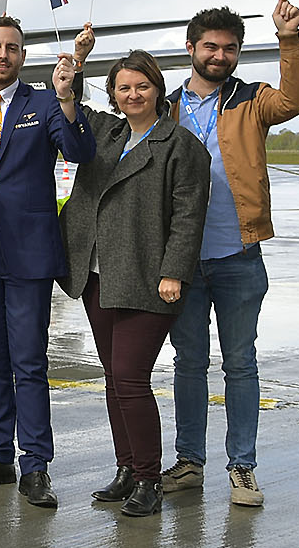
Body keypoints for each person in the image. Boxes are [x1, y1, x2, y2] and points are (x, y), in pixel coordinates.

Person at [0, 18, 93, 509]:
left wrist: (68, 98)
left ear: (23, 56)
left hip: (28, 250)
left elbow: (78, 150)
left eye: (11, 48)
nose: (2, 55)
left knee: (28, 361)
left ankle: (35, 465)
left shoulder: (44, 102)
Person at [164, 0, 299, 509]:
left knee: (241, 362)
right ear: (190, 49)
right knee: (188, 363)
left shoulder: (252, 100)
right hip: (180, 259)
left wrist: (288, 39)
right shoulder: (167, 106)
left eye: (230, 48)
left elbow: (295, 101)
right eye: (211, 47)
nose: (220, 55)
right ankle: (189, 461)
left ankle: (242, 467)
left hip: (237, 253)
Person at [58, 51, 210, 518]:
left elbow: (188, 216)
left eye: (141, 86)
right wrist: (69, 76)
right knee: (113, 379)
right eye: (123, 88)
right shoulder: (105, 133)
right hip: (97, 273)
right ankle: (126, 467)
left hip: (147, 277)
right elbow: (69, 113)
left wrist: (174, 271)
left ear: (158, 89)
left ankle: (148, 477)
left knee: (130, 378)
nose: (133, 95)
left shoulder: (180, 145)